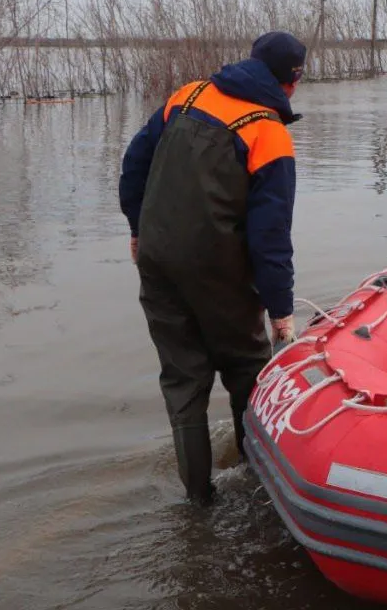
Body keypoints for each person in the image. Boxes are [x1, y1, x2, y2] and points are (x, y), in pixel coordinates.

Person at [119, 30, 306, 504]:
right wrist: (281, 310)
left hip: (158, 259)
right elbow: (270, 238)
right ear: (293, 81)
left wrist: (138, 229)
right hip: (217, 272)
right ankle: (254, 485)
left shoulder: (188, 94)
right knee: (247, 370)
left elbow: (134, 165)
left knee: (182, 379)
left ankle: (197, 501)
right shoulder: (269, 134)